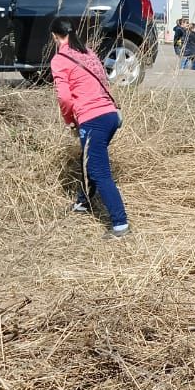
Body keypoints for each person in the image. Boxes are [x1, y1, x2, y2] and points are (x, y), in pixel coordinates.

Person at [49, 17, 129, 237]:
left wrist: (69, 120)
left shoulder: (60, 59)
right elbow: (104, 80)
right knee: (89, 161)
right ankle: (83, 203)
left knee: (99, 170)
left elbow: (64, 97)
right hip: (110, 115)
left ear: (55, 36)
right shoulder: (88, 52)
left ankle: (120, 223)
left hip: (92, 118)